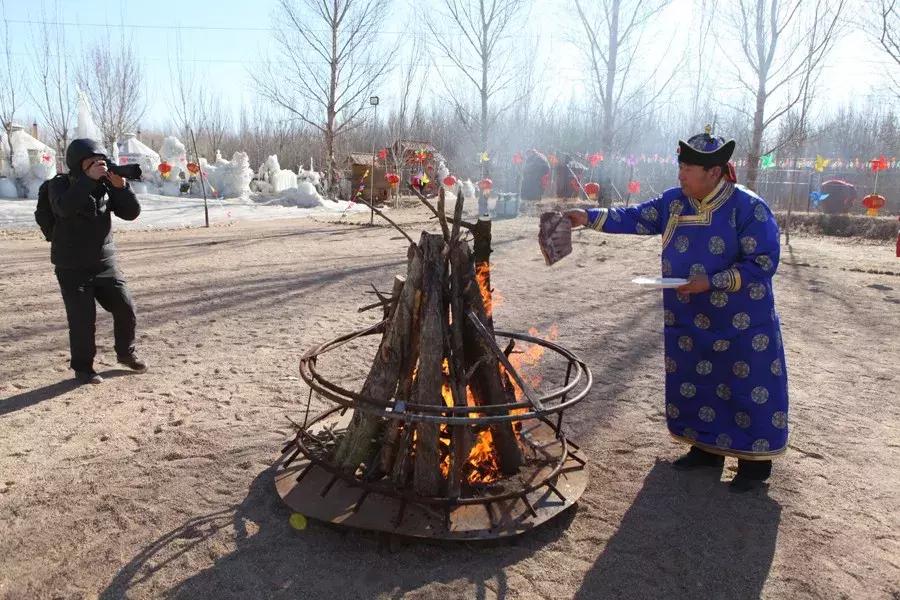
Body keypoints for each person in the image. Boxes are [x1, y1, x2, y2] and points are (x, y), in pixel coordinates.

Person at [564, 129, 789, 493]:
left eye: (688, 168)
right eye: (681, 166)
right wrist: (585, 217)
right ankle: (705, 449)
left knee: (747, 385)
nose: (681, 174)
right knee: (698, 382)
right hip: (689, 318)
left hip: (742, 323)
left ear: (714, 172)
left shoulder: (749, 209)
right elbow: (634, 217)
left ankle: (753, 465)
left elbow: (763, 263)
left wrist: (712, 281)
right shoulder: (674, 203)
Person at [43, 138, 147, 384]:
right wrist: (88, 181)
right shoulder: (57, 185)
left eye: (101, 161)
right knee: (82, 320)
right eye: (92, 163)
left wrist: (121, 187)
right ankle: (84, 368)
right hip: (72, 266)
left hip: (104, 262)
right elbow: (64, 209)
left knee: (125, 307)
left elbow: (131, 213)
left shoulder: (105, 186)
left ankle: (125, 354)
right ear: (77, 165)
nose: (99, 167)